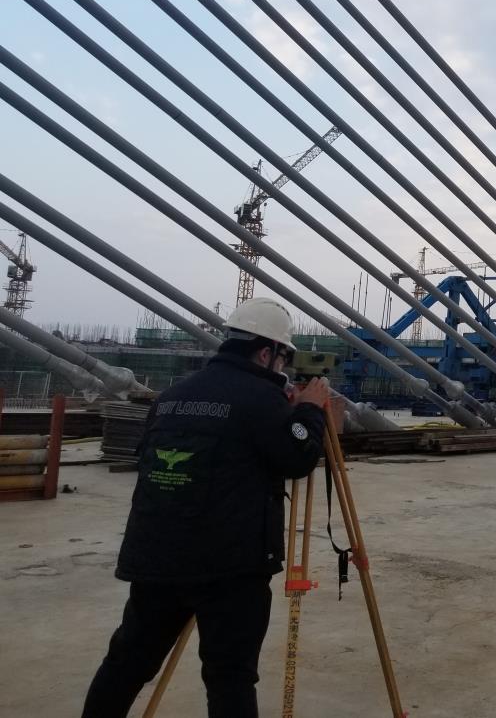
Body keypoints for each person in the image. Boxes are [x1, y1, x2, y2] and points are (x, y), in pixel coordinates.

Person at [83, 298, 342, 718]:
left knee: (127, 662)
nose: (282, 367)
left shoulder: (172, 396)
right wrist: (309, 409)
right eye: (282, 358)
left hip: (156, 555)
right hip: (229, 567)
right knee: (230, 677)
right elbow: (297, 458)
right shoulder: (261, 398)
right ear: (266, 353)